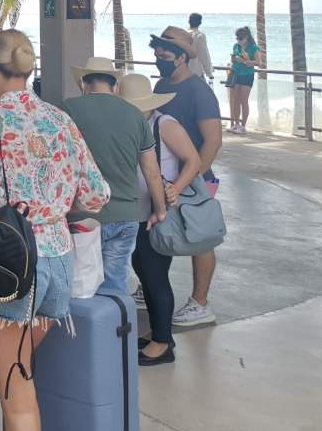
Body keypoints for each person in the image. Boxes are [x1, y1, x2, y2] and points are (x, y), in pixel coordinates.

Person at [0, 30, 110, 431]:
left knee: (17, 396)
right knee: (19, 377)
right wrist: (50, 203)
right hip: (57, 265)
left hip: (10, 268)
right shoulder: (59, 118)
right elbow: (97, 193)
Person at [117, 74, 204, 366]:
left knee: (154, 273)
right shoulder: (132, 123)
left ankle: (163, 342)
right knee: (143, 267)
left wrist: (173, 190)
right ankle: (159, 329)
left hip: (157, 211)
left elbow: (194, 160)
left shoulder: (164, 125)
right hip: (138, 210)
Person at [62, 57, 166, 295]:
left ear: (83, 83)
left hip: (83, 216)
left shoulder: (68, 109)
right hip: (126, 216)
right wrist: (159, 209)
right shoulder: (135, 114)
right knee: (116, 282)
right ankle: (114, 330)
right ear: (115, 85)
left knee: (81, 285)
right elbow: (151, 171)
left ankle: (88, 331)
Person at [149, 26, 223, 328]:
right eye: (157, 49)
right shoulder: (160, 87)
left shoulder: (199, 91)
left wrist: (192, 179)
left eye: (165, 51)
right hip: (165, 178)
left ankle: (200, 302)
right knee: (159, 231)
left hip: (196, 178)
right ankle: (151, 283)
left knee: (201, 238)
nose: (159, 55)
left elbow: (213, 140)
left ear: (181, 57)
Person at [228, 26, 263, 134]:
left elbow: (259, 63)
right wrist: (234, 59)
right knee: (235, 101)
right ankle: (236, 124)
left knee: (243, 101)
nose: (239, 41)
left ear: (247, 37)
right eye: (237, 39)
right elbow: (233, 60)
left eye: (241, 39)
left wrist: (247, 61)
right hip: (235, 73)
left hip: (247, 75)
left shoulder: (253, 47)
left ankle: (243, 126)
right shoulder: (236, 46)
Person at [187, 13, 214, 82]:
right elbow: (204, 56)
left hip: (184, 73)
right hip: (196, 73)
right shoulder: (199, 36)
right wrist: (209, 73)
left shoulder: (184, 34)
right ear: (200, 23)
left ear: (189, 21)